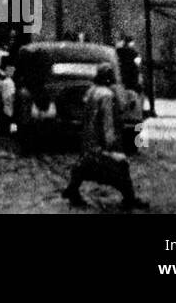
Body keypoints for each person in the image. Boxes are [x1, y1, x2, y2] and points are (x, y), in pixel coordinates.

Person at [62, 63, 148, 210]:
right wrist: (110, 143)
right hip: (100, 142)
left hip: (88, 139)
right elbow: (107, 122)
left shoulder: (91, 91)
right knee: (121, 166)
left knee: (84, 165)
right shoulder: (107, 95)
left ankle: (73, 189)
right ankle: (130, 198)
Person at [0, 57, 16, 136]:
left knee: (2, 107)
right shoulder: (7, 80)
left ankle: (2, 129)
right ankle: (3, 129)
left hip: (4, 85)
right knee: (4, 107)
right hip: (5, 86)